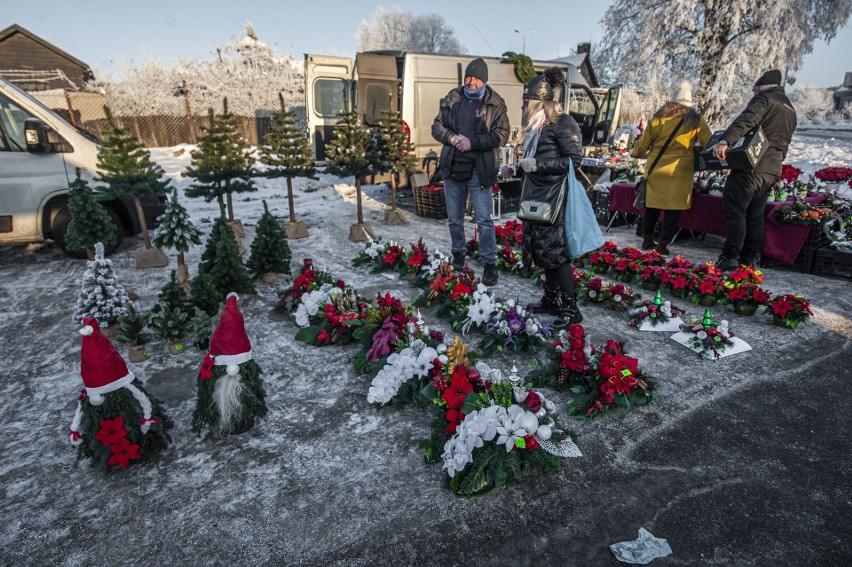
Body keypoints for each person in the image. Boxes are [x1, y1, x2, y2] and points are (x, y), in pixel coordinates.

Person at [708, 69, 797, 271]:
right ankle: (749, 259)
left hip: (752, 165)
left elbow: (747, 120)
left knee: (735, 211)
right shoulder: (790, 109)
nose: (754, 96)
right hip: (772, 169)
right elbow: (785, 141)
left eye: (755, 92)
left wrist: (725, 140)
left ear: (762, 89)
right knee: (755, 216)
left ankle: (729, 257)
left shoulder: (765, 99)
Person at [432, 57, 509, 286]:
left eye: (476, 78)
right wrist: (451, 137)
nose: (471, 81)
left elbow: (502, 135)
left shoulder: (495, 103)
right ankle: (458, 253)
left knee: (484, 220)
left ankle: (489, 264)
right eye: (468, 76)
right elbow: (437, 127)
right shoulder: (453, 97)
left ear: (484, 79)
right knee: (454, 219)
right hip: (453, 167)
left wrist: (472, 143)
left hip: (479, 169)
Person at [516, 67, 584, 327]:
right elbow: (535, 159)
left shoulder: (562, 122)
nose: (524, 106)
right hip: (537, 195)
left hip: (555, 196)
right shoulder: (536, 127)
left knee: (557, 253)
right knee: (544, 251)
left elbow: (573, 160)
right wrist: (520, 167)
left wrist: (537, 165)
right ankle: (552, 298)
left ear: (539, 102)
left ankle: (570, 309)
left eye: (527, 101)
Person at [632, 82, 712, 256]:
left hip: (656, 169)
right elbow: (709, 143)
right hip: (679, 171)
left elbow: (641, 147)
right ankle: (662, 244)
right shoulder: (695, 120)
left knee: (652, 206)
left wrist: (636, 152)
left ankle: (647, 239)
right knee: (672, 210)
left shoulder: (657, 119)